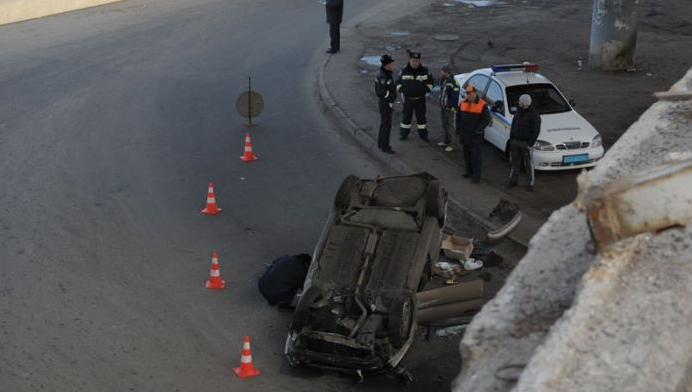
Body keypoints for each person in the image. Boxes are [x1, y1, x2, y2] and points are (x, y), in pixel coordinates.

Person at [396, 51, 434, 142]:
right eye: (412, 60)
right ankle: (403, 135)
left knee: (421, 120)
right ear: (410, 60)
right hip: (408, 100)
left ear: (419, 61)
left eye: (416, 61)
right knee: (406, 119)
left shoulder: (425, 71)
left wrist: (424, 90)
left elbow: (431, 83)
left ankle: (423, 136)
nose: (414, 62)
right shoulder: (404, 70)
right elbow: (398, 83)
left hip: (420, 100)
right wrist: (403, 90)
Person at [456, 85, 490, 183]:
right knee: (466, 156)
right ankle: (469, 172)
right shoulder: (462, 104)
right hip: (465, 135)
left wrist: (479, 129)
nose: (469, 96)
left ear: (475, 93)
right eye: (467, 94)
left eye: (470, 94)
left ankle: (476, 176)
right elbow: (458, 117)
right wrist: (458, 129)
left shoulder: (482, 104)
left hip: (476, 137)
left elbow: (486, 119)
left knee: (476, 158)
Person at [507, 94, 541, 191]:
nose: (518, 103)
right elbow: (513, 125)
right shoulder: (518, 111)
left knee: (529, 164)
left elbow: (536, 131)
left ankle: (530, 183)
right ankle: (513, 180)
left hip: (526, 144)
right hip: (515, 142)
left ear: (524, 103)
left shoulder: (534, 115)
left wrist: (530, 144)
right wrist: (512, 138)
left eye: (520, 101)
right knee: (514, 162)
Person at [375, 54, 397, 154]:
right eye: (391, 63)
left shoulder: (385, 73)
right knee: (386, 126)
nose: (392, 65)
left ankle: (381, 143)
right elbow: (381, 92)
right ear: (387, 65)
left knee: (384, 124)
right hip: (386, 104)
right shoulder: (383, 76)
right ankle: (385, 146)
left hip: (385, 103)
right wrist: (391, 99)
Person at [437, 64, 461, 152]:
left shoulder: (453, 82)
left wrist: (449, 107)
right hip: (443, 107)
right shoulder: (444, 79)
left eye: (442, 71)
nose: (440, 72)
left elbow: (454, 97)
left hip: (449, 109)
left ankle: (452, 145)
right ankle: (446, 141)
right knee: (444, 125)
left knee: (450, 127)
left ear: (445, 71)